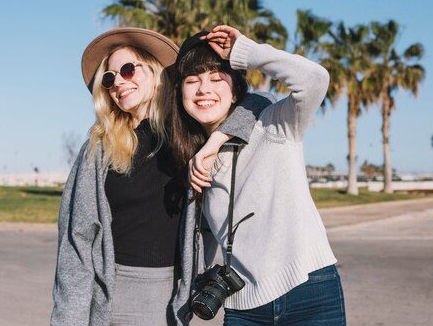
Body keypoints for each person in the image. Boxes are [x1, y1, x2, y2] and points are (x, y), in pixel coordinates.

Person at [50, 27, 270, 326]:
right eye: (109, 78)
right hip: (114, 295)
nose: (118, 83)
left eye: (128, 70)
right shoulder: (100, 147)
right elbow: (76, 241)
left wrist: (216, 141)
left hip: (174, 296)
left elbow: (258, 101)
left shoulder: (191, 132)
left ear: (154, 71)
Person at [170, 25, 346, 326]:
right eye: (192, 80)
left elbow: (314, 79)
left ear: (236, 89)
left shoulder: (274, 124)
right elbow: (206, 238)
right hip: (244, 307)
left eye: (216, 79)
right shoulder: (191, 160)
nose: (204, 90)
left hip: (311, 290)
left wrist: (246, 52)